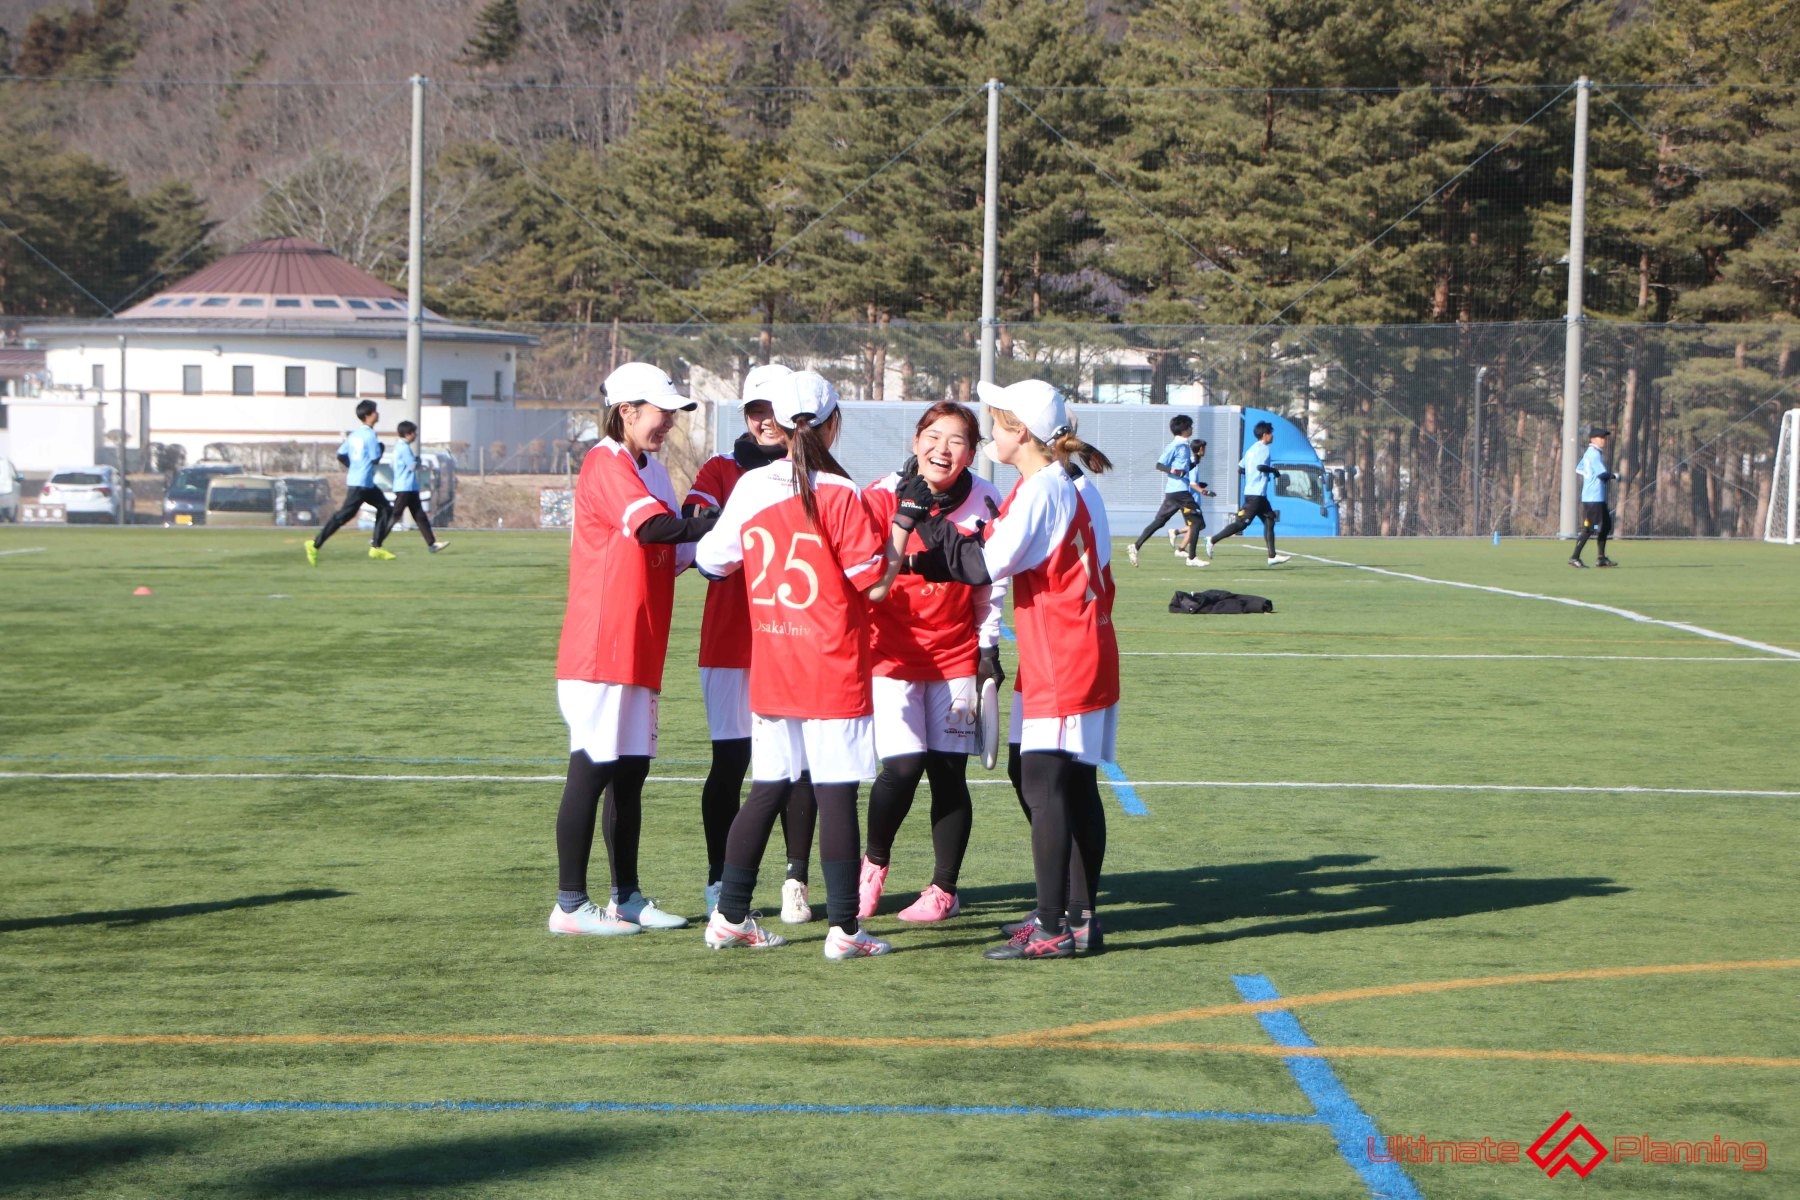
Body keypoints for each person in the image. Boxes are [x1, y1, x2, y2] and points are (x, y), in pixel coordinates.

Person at [900, 378, 1117, 960]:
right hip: (1071, 648)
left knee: (1047, 787)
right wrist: (926, 553)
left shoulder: (1043, 488)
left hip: (1063, 654)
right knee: (1054, 783)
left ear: (1020, 431)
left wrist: (922, 519)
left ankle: (1055, 926)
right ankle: (1074, 917)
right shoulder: (1062, 481)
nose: (989, 433)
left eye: (996, 423)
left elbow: (981, 564)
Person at [694, 370, 896, 960]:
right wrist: (902, 534)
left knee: (766, 790)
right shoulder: (842, 492)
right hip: (831, 664)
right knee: (835, 794)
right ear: (833, 425)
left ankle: (730, 916)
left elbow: (711, 561)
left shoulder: (751, 486)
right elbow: (871, 584)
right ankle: (845, 929)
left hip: (774, 660)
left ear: (779, 427)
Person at [548, 362, 716, 938]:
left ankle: (627, 897)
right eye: (660, 412)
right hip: (600, 649)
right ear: (626, 411)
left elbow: (678, 552)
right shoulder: (605, 462)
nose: (668, 422)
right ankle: (569, 904)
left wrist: (730, 541)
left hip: (640, 648)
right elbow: (652, 528)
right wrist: (716, 522)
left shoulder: (654, 471)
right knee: (591, 769)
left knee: (630, 774)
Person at [857, 402, 1007, 923]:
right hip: (889, 651)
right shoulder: (879, 494)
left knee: (948, 773)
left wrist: (987, 650)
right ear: (916, 440)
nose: (943, 449)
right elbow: (862, 567)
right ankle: (873, 865)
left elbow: (992, 583)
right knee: (901, 768)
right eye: (933, 436)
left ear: (972, 452)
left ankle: (944, 889)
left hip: (955, 655)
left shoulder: (986, 500)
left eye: (957, 440)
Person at [682, 363, 818, 925]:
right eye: (754, 410)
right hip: (729, 641)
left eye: (773, 410)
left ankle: (795, 880)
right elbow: (699, 542)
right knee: (731, 762)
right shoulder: (720, 468)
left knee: (797, 767)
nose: (764, 421)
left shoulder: (818, 474)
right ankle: (720, 879)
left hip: (793, 639)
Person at [306, 399, 394, 564]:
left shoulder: (354, 435)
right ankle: (315, 544)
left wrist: (353, 466)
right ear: (368, 415)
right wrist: (381, 447)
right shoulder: (370, 435)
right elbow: (375, 458)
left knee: (385, 508)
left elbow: (341, 454)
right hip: (361, 483)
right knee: (344, 516)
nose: (377, 414)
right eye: (375, 411)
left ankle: (376, 547)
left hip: (363, 482)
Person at [1204, 420, 1291, 565]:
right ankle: (1212, 540)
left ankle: (1272, 556)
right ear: (1265, 434)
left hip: (1257, 494)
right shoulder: (1264, 448)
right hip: (1255, 494)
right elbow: (1260, 467)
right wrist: (1274, 471)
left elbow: (1240, 468)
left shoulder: (1251, 449)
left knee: (1269, 520)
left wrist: (1252, 476)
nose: (1272, 436)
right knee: (1242, 524)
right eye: (1271, 433)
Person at [1126, 414, 1194, 566]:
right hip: (1179, 492)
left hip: (1178, 491)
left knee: (1160, 522)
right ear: (1184, 429)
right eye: (1190, 426)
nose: (1192, 429)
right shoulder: (1175, 446)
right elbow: (1160, 465)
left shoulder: (1185, 446)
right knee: (1197, 522)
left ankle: (1136, 546)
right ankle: (1190, 556)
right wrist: (1174, 471)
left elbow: (1186, 468)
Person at [387, 421, 447, 554]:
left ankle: (432, 544)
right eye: (414, 432)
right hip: (405, 487)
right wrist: (418, 461)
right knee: (395, 514)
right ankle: (377, 539)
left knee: (420, 516)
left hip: (408, 487)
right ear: (408, 434)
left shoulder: (397, 447)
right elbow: (412, 466)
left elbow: (393, 466)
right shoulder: (404, 447)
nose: (416, 435)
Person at [1570, 426, 1619, 568]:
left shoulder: (1589, 453)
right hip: (1593, 498)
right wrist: (1616, 476)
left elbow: (1579, 469)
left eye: (1604, 438)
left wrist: (1589, 476)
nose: (1603, 440)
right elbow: (1602, 474)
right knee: (1589, 529)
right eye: (1601, 438)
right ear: (1593, 439)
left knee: (1606, 525)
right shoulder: (1594, 454)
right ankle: (1574, 557)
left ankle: (1601, 558)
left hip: (1597, 497)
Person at [1170, 437, 1215, 567]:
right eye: (1204, 448)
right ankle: (1188, 554)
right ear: (1200, 449)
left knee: (1196, 525)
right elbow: (1192, 483)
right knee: (1197, 525)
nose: (1205, 450)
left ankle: (1180, 544)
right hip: (1189, 501)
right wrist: (1204, 491)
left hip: (1190, 499)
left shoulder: (1193, 461)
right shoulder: (1192, 462)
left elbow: (1190, 481)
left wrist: (1200, 485)